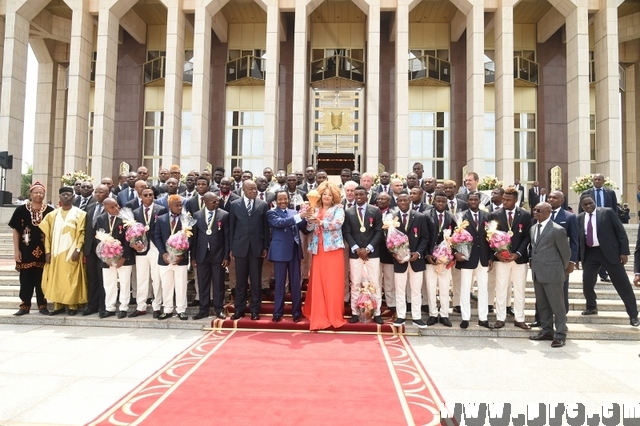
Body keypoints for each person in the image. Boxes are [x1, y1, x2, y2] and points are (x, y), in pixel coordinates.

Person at [577, 195, 639, 326]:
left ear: (594, 202)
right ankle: (591, 307)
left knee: (622, 284)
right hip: (590, 254)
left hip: (610, 254)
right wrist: (577, 258)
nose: (588, 206)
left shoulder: (607, 212)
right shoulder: (580, 218)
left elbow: (620, 232)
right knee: (587, 282)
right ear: (581, 206)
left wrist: (624, 252)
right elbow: (579, 239)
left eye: (590, 203)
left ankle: (633, 315)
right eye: (585, 205)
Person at [302, 181, 347, 330]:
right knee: (317, 281)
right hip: (318, 249)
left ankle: (332, 314)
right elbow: (309, 227)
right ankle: (318, 313)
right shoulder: (315, 208)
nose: (327, 197)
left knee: (332, 281)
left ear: (334, 196)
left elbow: (337, 224)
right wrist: (308, 217)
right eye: (324, 194)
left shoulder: (338, 208)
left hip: (333, 249)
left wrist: (320, 222)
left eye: (329, 194)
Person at [530, 190, 578, 327]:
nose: (551, 199)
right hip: (540, 268)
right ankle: (542, 322)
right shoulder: (535, 223)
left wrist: (570, 262)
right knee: (542, 298)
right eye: (550, 197)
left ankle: (561, 324)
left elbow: (573, 242)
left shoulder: (569, 217)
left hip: (557, 267)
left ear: (562, 200)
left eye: (555, 197)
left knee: (559, 297)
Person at [489, 187, 532, 330]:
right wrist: (497, 254)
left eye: (508, 200)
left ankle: (519, 318)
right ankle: (500, 318)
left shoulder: (525, 215)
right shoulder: (494, 214)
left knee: (520, 289)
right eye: (504, 199)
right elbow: (490, 236)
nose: (505, 202)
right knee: (501, 288)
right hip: (501, 259)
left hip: (519, 259)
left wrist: (518, 253)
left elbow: (527, 237)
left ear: (516, 200)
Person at [40, 187, 87, 315]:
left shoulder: (80, 214)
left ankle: (72, 306)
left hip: (72, 252)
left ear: (73, 197)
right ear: (59, 197)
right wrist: (48, 252)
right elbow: (47, 235)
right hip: (56, 253)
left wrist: (78, 249)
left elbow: (82, 233)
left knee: (71, 278)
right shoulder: (51, 215)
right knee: (57, 279)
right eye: (64, 195)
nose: (66, 197)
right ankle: (58, 305)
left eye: (69, 195)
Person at [528, 202, 570, 347]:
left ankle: (560, 334)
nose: (535, 212)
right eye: (534, 209)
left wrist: (561, 269)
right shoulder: (533, 228)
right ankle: (546, 331)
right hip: (538, 273)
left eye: (539, 210)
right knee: (542, 305)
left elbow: (565, 254)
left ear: (548, 212)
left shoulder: (557, 230)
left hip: (553, 273)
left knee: (557, 305)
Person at [9, 182, 54, 316]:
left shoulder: (50, 211)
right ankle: (25, 305)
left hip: (43, 251)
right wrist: (16, 250)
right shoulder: (21, 210)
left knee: (42, 279)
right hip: (26, 251)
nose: (38, 195)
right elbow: (16, 230)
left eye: (41, 193)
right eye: (36, 192)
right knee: (25, 279)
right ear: (31, 194)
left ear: (44, 194)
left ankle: (42, 305)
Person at [266, 191, 311, 323]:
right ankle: (277, 312)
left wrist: (308, 216)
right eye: (280, 199)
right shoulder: (271, 212)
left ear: (288, 199)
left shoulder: (294, 212)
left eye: (285, 199)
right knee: (280, 284)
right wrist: (299, 216)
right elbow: (280, 223)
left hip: (294, 251)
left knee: (296, 284)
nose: (283, 201)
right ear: (276, 201)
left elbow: (303, 227)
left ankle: (296, 312)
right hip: (280, 252)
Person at [229, 180, 270, 321]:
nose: (254, 191)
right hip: (240, 247)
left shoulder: (263, 205)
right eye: (251, 189)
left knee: (256, 281)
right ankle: (239, 309)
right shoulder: (234, 205)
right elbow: (231, 228)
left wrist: (265, 246)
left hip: (257, 248)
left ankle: (255, 310)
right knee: (240, 281)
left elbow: (265, 227)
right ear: (244, 190)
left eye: (255, 189)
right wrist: (231, 248)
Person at [343, 185, 384, 324]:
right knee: (355, 283)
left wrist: (368, 248)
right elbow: (346, 232)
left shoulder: (375, 210)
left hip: (372, 253)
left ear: (367, 196)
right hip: (355, 254)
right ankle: (355, 312)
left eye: (362, 195)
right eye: (357, 195)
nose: (359, 197)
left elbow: (379, 231)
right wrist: (356, 249)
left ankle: (377, 312)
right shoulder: (348, 212)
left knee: (375, 282)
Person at [454, 192, 493, 329]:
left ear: (479, 201)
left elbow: (490, 239)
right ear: (467, 201)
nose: (473, 201)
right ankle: (465, 317)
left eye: (476, 199)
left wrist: (491, 257)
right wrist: (456, 253)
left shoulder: (487, 216)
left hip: (483, 258)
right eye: (471, 199)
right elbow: (455, 238)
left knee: (483, 288)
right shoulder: (460, 216)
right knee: (465, 288)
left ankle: (483, 318)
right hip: (466, 258)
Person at [391, 193, 429, 329]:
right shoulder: (392, 218)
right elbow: (388, 239)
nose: (403, 202)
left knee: (416, 289)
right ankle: (401, 316)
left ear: (410, 201)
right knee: (400, 289)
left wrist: (418, 253)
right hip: (399, 260)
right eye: (400, 200)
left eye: (405, 200)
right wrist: (395, 254)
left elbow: (425, 237)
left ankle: (417, 317)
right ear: (397, 202)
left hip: (416, 260)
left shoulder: (420, 217)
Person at [191, 192, 230, 320]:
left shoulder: (224, 215)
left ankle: (219, 309)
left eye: (217, 201)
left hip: (218, 254)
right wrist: (193, 257)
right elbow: (194, 238)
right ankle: (203, 309)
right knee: (203, 283)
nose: (216, 203)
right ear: (205, 202)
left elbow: (226, 237)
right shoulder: (197, 215)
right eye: (213, 201)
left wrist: (226, 256)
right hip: (202, 255)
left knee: (218, 283)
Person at [153, 195, 192, 320]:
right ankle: (168, 309)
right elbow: (156, 236)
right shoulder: (161, 219)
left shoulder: (187, 219)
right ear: (169, 206)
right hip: (164, 259)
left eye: (181, 205)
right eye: (177, 205)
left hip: (181, 259)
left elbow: (191, 239)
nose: (180, 207)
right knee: (166, 285)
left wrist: (182, 254)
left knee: (181, 285)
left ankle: (181, 309)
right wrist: (163, 253)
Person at [130, 186, 166, 318]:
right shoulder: (135, 212)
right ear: (140, 196)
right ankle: (141, 306)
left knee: (156, 278)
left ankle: (157, 306)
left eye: (151, 195)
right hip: (141, 249)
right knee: (141, 278)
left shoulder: (161, 210)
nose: (149, 197)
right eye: (145, 195)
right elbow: (131, 231)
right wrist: (133, 244)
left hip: (156, 248)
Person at [96, 198, 135, 318]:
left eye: (117, 205)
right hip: (107, 258)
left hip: (123, 258)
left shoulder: (126, 218)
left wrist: (124, 257)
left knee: (124, 283)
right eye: (112, 207)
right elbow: (97, 237)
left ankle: (123, 307)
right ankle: (110, 307)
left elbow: (130, 239)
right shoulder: (100, 219)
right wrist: (106, 257)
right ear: (105, 208)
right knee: (109, 284)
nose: (116, 208)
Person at [424, 191, 456, 327]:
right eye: (438, 201)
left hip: (445, 259)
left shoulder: (451, 217)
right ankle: (432, 314)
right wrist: (426, 254)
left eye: (443, 202)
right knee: (431, 288)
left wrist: (451, 255)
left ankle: (444, 314)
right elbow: (423, 237)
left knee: (444, 287)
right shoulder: (425, 216)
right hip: (430, 258)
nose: (441, 204)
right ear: (434, 202)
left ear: (447, 203)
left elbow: (456, 239)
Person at [83, 184, 111, 316]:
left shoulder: (110, 208)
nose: (97, 194)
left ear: (107, 194)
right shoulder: (90, 207)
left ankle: (103, 305)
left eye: (101, 192)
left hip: (105, 249)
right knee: (92, 277)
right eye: (96, 192)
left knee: (103, 278)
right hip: (90, 248)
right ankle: (92, 305)